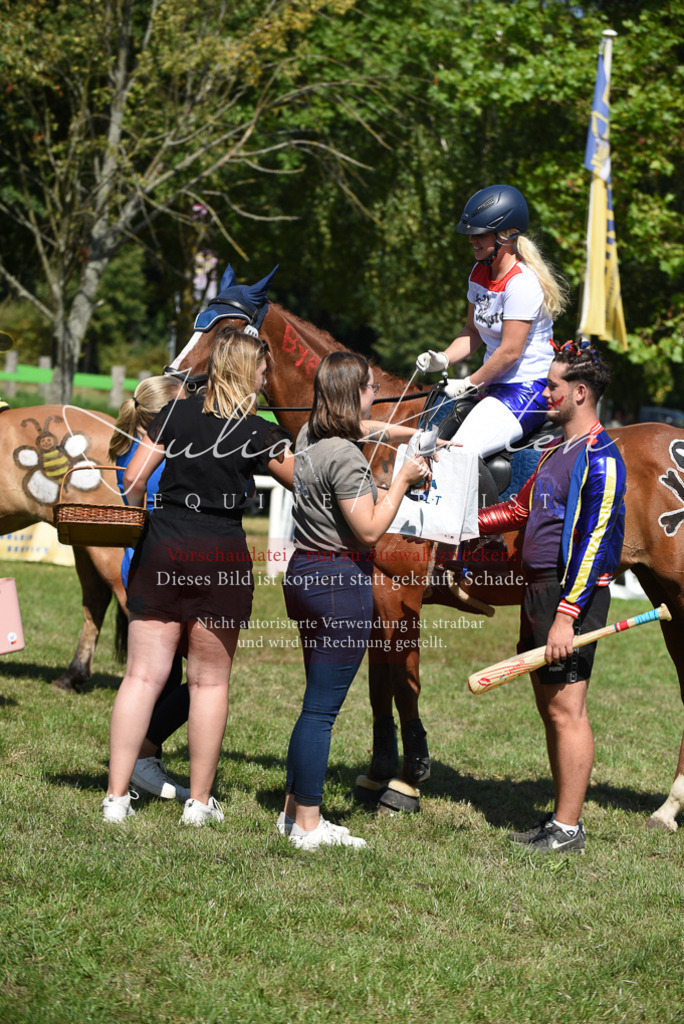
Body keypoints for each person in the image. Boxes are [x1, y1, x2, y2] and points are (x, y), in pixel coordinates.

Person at [102, 329, 293, 824]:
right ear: (246, 371)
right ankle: (199, 803)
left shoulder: (174, 413)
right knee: (209, 683)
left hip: (163, 544)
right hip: (220, 553)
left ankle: (116, 797)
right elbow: (303, 479)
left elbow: (133, 478)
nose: (265, 377)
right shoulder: (256, 430)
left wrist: (144, 516)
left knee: (142, 676)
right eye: (262, 369)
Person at [477, 341, 626, 852]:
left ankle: (568, 829)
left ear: (579, 393)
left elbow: (595, 545)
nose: (545, 393)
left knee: (568, 711)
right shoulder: (553, 451)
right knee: (549, 709)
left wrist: (567, 617)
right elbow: (519, 510)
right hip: (537, 591)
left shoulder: (601, 459)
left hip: (571, 598)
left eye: (553, 386)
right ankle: (560, 817)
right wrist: (462, 525)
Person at [279, 351, 431, 850]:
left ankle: (291, 813)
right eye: (369, 388)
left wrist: (407, 434)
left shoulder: (308, 438)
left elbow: (362, 423)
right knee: (321, 712)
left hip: (302, 573)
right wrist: (403, 482)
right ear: (353, 393)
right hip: (338, 583)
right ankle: (308, 826)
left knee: (311, 707)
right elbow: (367, 530)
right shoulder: (345, 456)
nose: (376, 396)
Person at [416, 184, 568, 459]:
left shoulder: (522, 283)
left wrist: (469, 382)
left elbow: (510, 352)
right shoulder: (478, 272)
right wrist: (443, 358)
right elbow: (472, 330)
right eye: (471, 235)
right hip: (493, 383)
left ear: (506, 235)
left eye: (480, 235)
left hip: (527, 388)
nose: (473, 241)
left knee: (458, 453)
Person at [108, 375, 191, 803]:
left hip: (139, 566)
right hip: (162, 570)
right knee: (200, 680)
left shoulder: (129, 450)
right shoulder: (162, 458)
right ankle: (141, 756)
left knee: (162, 675)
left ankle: (140, 759)